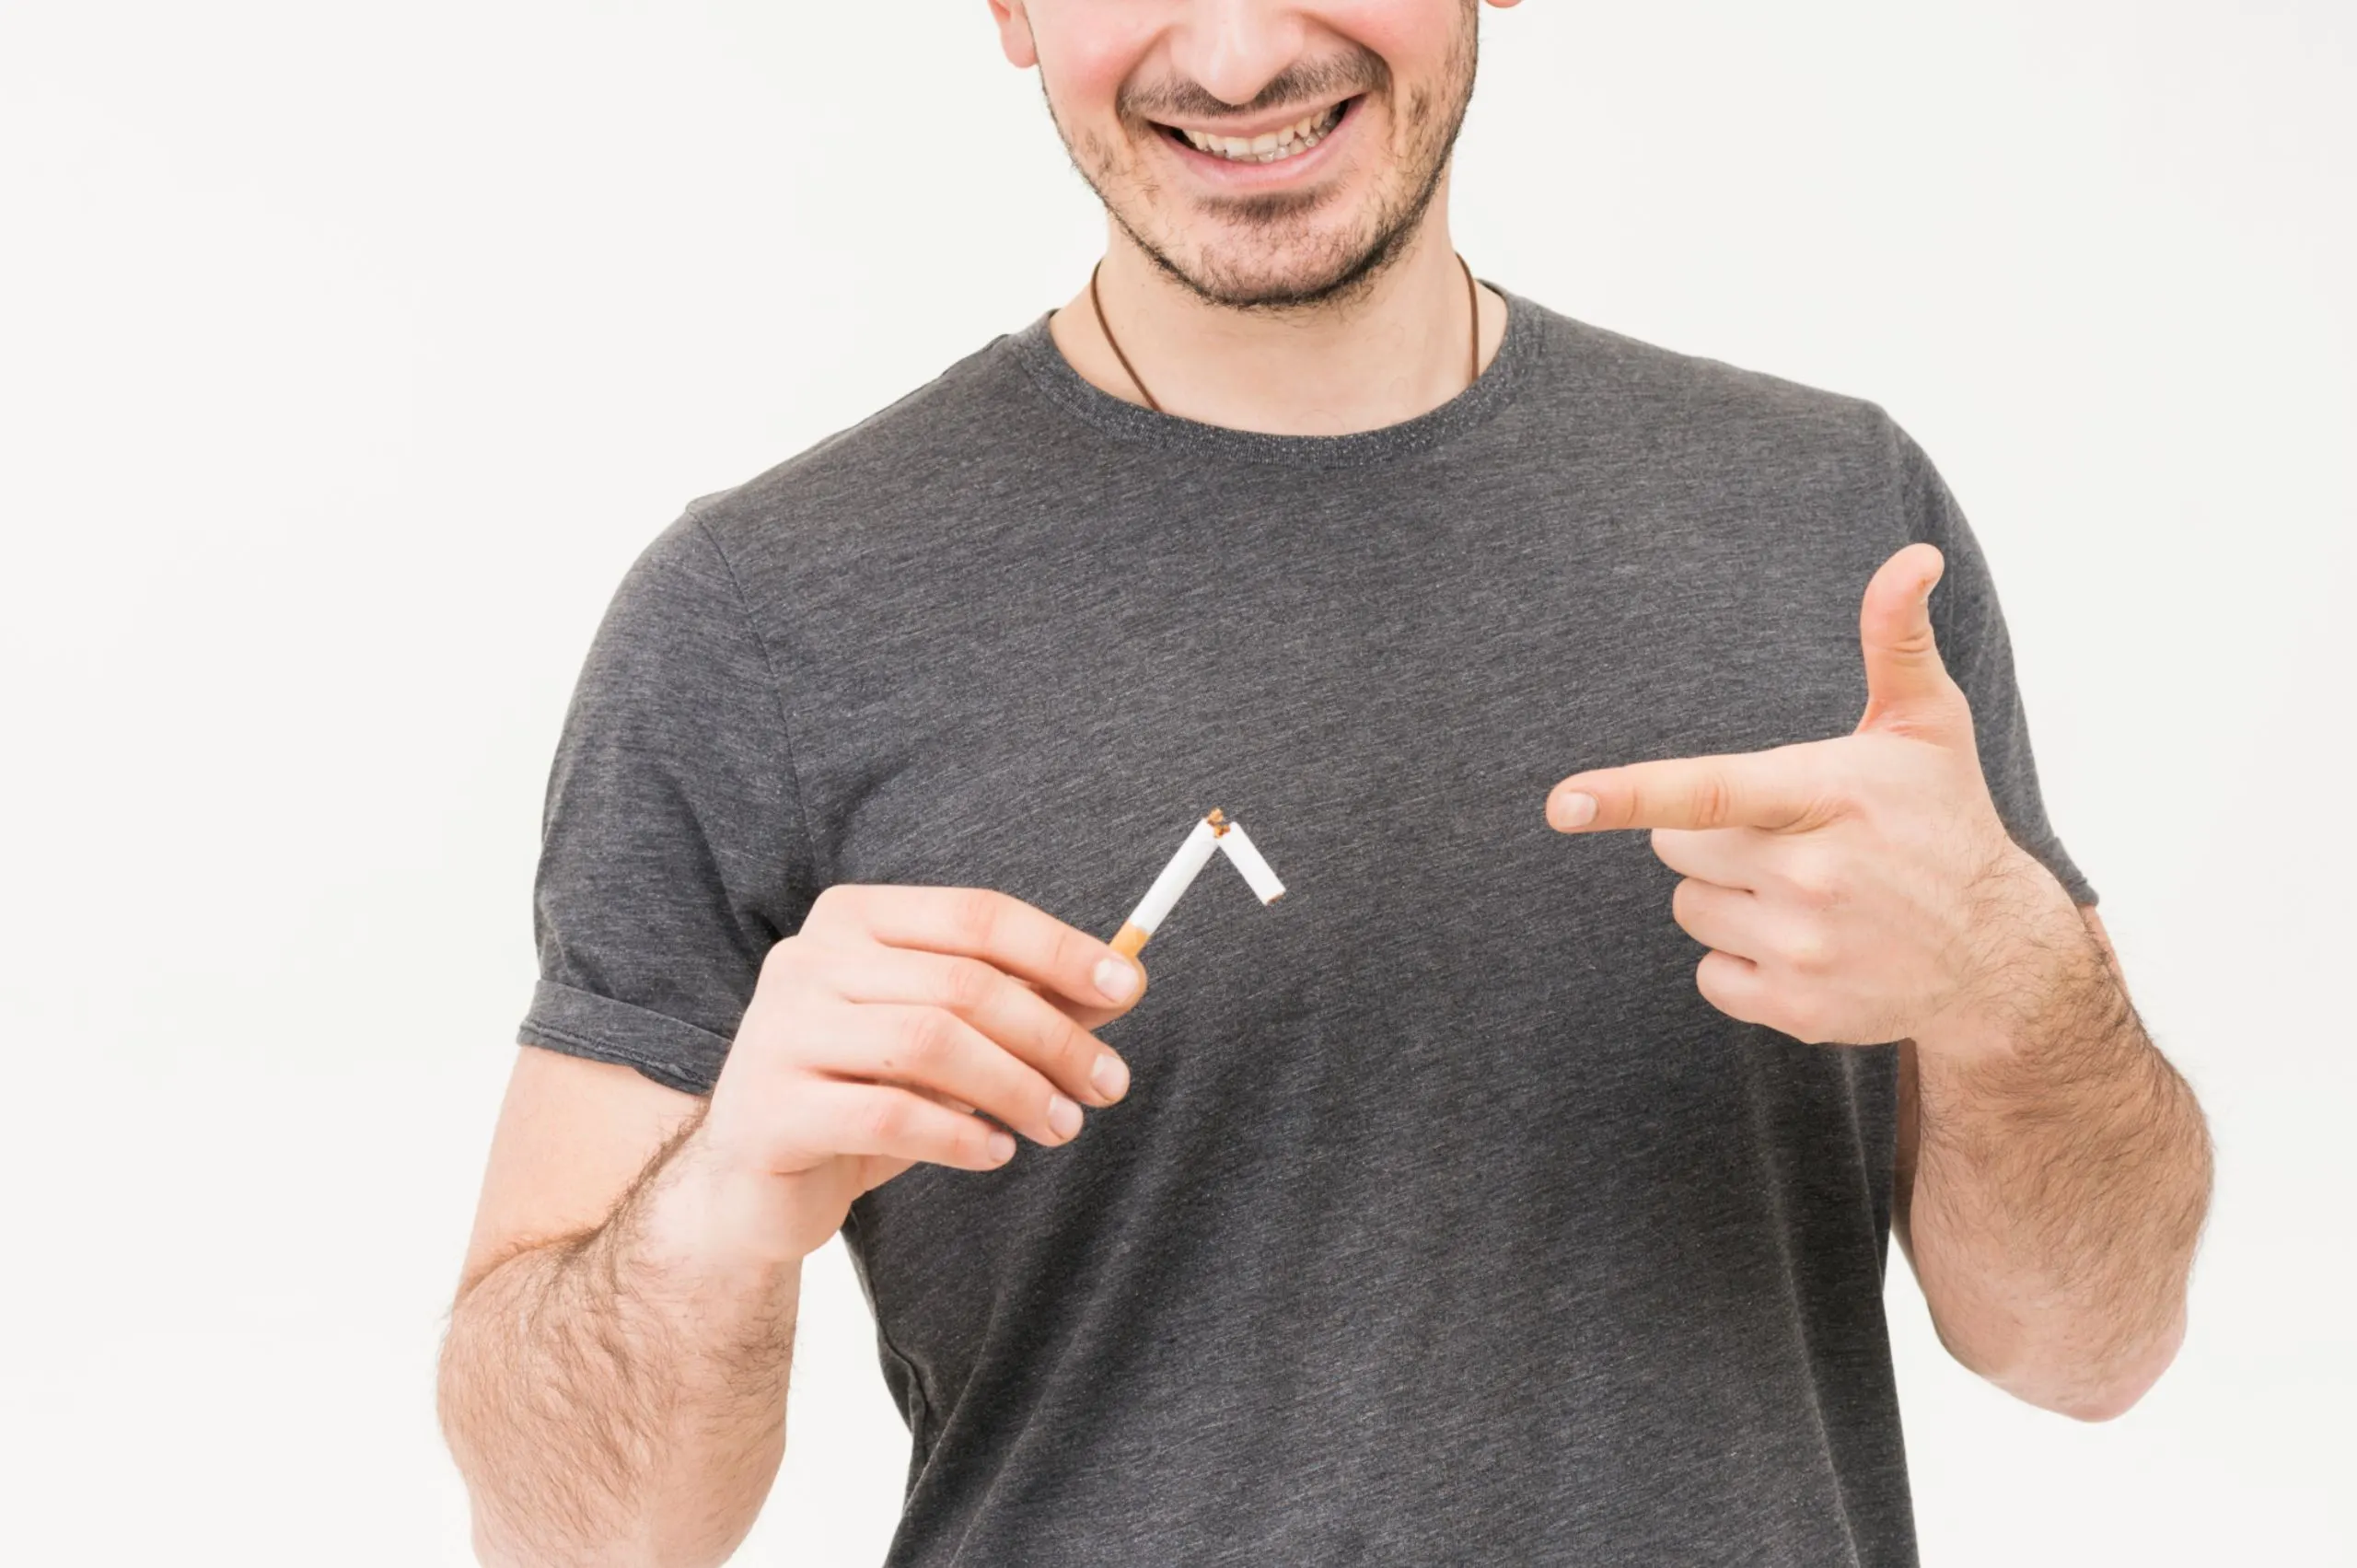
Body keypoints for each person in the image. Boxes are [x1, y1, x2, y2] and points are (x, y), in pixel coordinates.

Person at [435, 4, 2214, 1564]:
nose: (1235, 55)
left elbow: (2093, 1342)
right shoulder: (761, 618)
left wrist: (2017, 988)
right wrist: (722, 1200)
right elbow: (570, 1534)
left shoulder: (1833, 520)